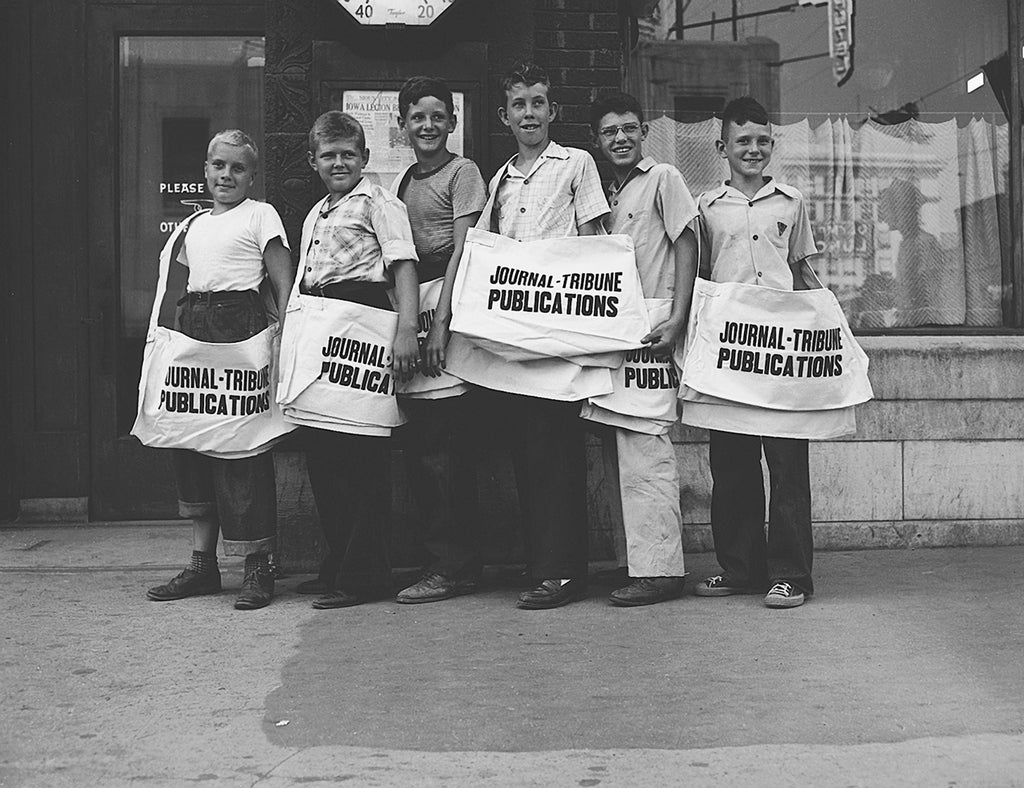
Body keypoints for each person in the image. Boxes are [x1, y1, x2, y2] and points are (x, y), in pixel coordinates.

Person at [475, 62, 609, 609]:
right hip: (514, 334)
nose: (529, 113)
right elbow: (489, 252)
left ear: (553, 111)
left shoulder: (576, 163)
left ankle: (564, 571)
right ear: (504, 115)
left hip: (560, 330)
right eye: (519, 105)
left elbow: (591, 241)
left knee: (557, 451)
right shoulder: (500, 178)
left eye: (538, 103)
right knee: (525, 450)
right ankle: (540, 563)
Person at [146, 129, 294, 610]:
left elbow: (281, 283)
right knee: (194, 443)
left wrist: (286, 342)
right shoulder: (192, 226)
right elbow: (179, 286)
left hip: (240, 329)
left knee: (243, 448)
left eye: (237, 168)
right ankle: (202, 564)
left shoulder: (260, 215)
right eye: (217, 165)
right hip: (195, 328)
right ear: (205, 170)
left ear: (252, 175)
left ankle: (257, 567)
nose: (225, 175)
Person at [693, 96, 821, 609]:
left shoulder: (791, 202)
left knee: (787, 465)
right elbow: (700, 275)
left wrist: (828, 326)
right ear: (723, 147)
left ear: (773, 144)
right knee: (731, 465)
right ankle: (741, 567)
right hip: (729, 355)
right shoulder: (706, 207)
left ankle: (790, 573)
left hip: (783, 355)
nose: (753, 149)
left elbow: (805, 271)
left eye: (762, 140)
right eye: (742, 141)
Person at [294, 111, 420, 609]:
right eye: (329, 155)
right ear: (313, 162)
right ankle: (338, 562)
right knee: (323, 452)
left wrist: (406, 328)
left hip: (363, 318)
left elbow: (402, 264)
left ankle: (365, 572)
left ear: (365, 158)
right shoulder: (316, 212)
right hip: (320, 320)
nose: (339, 162)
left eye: (349, 154)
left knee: (361, 454)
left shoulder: (380, 202)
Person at [589, 92, 698, 606]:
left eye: (629, 128)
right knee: (615, 451)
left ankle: (661, 570)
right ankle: (632, 561)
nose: (621, 139)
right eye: (610, 131)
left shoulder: (665, 178)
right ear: (598, 139)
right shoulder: (596, 187)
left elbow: (687, 242)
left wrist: (677, 318)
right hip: (611, 332)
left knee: (646, 449)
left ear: (644, 132)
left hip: (652, 330)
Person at [391, 76, 487, 603]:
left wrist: (442, 323)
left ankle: (456, 565)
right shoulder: (406, 178)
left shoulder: (463, 172)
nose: (427, 126)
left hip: (449, 310)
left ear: (452, 122)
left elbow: (462, 251)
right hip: (416, 306)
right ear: (403, 125)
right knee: (423, 443)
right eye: (417, 117)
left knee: (445, 447)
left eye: (437, 117)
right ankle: (440, 557)